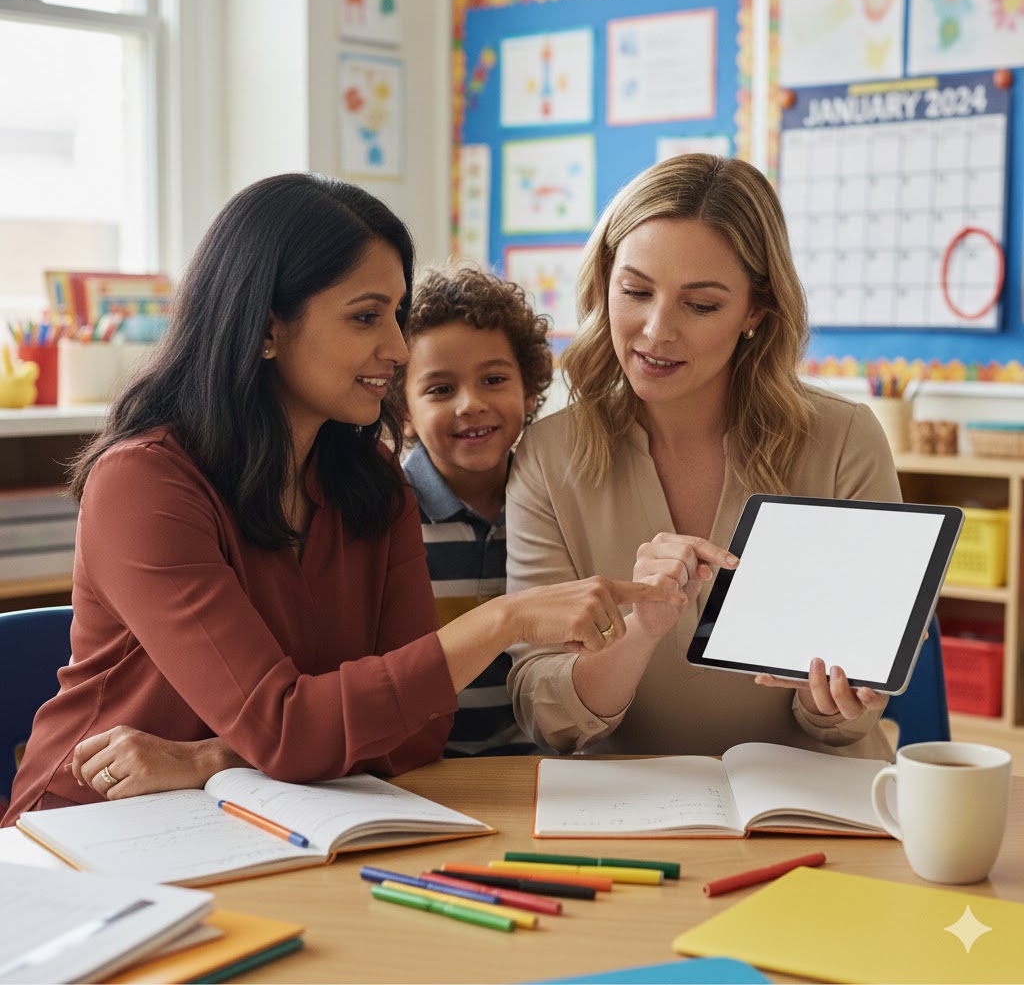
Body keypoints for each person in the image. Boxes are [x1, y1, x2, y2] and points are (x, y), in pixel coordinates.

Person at [1, 174, 676, 823]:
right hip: (97, 827)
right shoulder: (143, 486)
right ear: (266, 329)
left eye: (397, 314)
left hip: (273, 814)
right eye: (365, 317)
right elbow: (289, 726)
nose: (397, 346)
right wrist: (503, 620)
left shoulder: (373, 487)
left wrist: (211, 758)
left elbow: (418, 732)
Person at [505, 153, 900, 760]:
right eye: (635, 291)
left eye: (701, 305)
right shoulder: (546, 456)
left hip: (808, 803)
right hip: (626, 807)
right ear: (604, 281)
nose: (657, 331)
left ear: (756, 309)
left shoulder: (843, 439)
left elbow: (847, 713)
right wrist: (640, 633)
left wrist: (832, 700)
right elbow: (545, 714)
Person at [396, 264, 551, 757]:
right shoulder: (388, 512)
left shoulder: (553, 504)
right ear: (403, 413)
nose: (471, 404)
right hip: (420, 767)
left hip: (536, 762)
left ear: (529, 392)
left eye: (493, 379)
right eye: (440, 389)